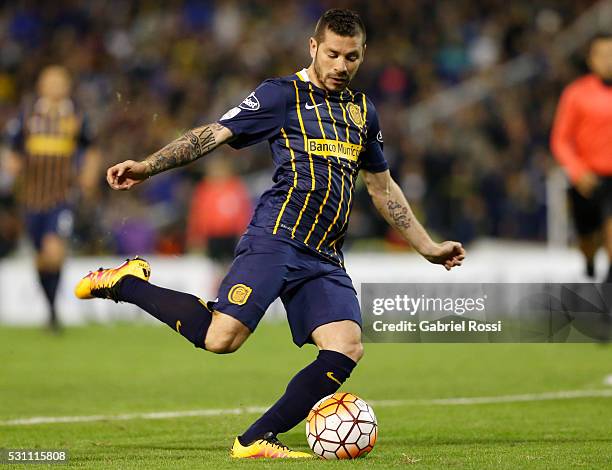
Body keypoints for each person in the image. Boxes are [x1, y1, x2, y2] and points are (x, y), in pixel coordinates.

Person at [75, 9, 465, 458]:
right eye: (334, 54)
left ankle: (255, 439)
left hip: (324, 254)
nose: (342, 66)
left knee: (345, 348)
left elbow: (382, 187)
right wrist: (148, 165)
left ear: (363, 56)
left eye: (352, 57)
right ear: (314, 47)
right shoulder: (281, 95)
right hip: (276, 237)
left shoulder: (363, 111)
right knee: (222, 339)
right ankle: (126, 283)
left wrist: (428, 247)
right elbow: (212, 134)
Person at [6, 65, 99, 330]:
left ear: (68, 86)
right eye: (51, 81)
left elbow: (91, 148)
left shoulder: (77, 118)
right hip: (31, 198)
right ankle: (51, 310)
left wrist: (89, 174)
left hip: (61, 197)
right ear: (41, 86)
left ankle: (53, 314)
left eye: (60, 81)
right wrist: (12, 163)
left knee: (53, 251)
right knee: (40, 257)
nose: (56, 86)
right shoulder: (27, 116)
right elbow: (12, 148)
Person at [551, 33, 612, 281]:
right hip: (587, 179)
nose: (609, 60)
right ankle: (588, 262)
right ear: (591, 60)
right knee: (587, 237)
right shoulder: (576, 94)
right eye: (604, 55)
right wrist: (578, 171)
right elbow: (560, 140)